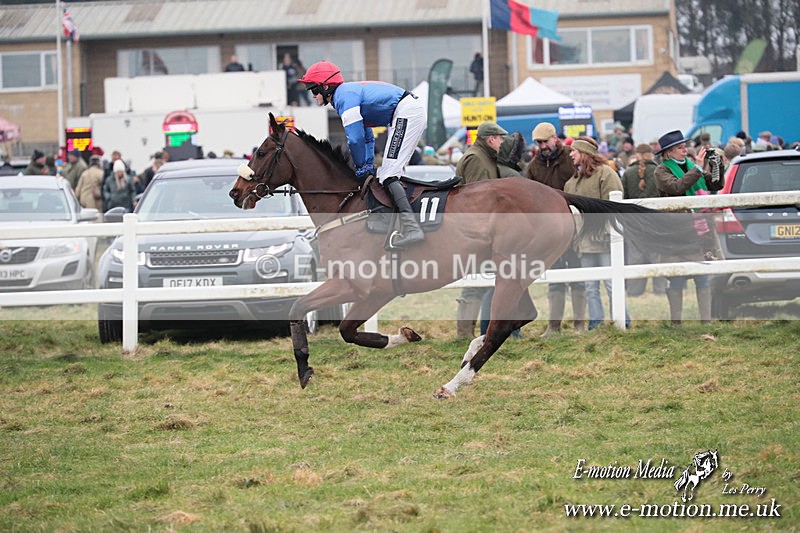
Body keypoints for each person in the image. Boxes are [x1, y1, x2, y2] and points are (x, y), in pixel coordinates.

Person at [298, 59, 426, 249]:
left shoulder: (343, 98)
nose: (313, 95)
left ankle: (411, 228)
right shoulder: (344, 96)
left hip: (407, 112)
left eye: (314, 89)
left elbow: (355, 139)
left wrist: (360, 167)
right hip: (404, 112)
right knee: (384, 174)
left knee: (389, 174)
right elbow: (367, 137)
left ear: (326, 86)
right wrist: (366, 165)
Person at [654, 129, 725, 325]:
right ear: (668, 152)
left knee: (702, 276)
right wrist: (698, 169)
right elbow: (676, 188)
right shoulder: (661, 171)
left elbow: (715, 185)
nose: (685, 150)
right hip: (676, 232)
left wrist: (717, 164)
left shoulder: (693, 166)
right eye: (680, 148)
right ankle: (676, 323)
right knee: (677, 277)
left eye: (685, 147)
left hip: (699, 229)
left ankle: (706, 322)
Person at [524, 122, 586, 337]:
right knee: (555, 279)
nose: (542, 146)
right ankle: (554, 326)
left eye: (545, 141)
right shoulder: (533, 166)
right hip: (548, 230)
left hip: (575, 224)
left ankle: (580, 324)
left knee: (578, 277)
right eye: (538, 143)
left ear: (555, 139)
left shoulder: (571, 157)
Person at [564, 136, 629, 330]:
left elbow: (614, 206)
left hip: (605, 239)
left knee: (611, 283)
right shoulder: (572, 182)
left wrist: (609, 234)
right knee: (590, 285)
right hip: (584, 242)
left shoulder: (606, 174)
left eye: (574, 151)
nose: (571, 154)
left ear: (583, 153)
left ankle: (621, 320)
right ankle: (596, 322)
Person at [451, 121, 508, 339]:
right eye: (500, 138)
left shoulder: (482, 156)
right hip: (475, 231)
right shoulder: (476, 158)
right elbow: (478, 199)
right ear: (491, 139)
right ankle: (464, 334)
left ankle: (475, 332)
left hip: (478, 230)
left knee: (483, 281)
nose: (502, 142)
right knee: (474, 283)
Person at [479, 131, 527, 338]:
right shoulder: (512, 176)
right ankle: (507, 332)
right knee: (508, 286)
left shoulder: (498, 170)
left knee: (499, 285)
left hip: (498, 235)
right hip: (510, 236)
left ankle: (490, 331)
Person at [621, 143, 666, 296]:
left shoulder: (628, 173)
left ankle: (634, 291)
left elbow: (623, 198)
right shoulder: (659, 171)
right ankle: (660, 290)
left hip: (635, 222)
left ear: (637, 154)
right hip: (657, 222)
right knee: (657, 257)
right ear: (650, 154)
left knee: (636, 257)